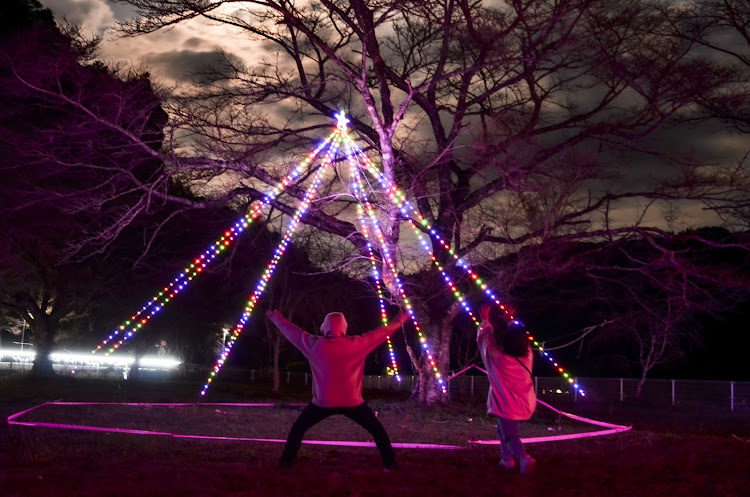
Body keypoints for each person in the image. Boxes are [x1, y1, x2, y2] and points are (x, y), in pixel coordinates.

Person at [267, 308, 410, 470]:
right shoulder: (358, 344)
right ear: (344, 327)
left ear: (325, 327)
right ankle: (390, 464)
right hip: (353, 402)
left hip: (322, 403)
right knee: (377, 430)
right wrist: (402, 317)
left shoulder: (314, 345)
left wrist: (276, 317)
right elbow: (383, 332)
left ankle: (286, 463)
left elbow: (291, 331)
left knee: (298, 429)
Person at [477, 304, 537, 475]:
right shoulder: (527, 357)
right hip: (523, 403)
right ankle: (507, 460)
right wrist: (510, 320)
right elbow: (520, 339)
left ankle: (524, 458)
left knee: (511, 436)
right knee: (502, 429)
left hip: (508, 405)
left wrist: (485, 321)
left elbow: (486, 342)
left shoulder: (500, 359)